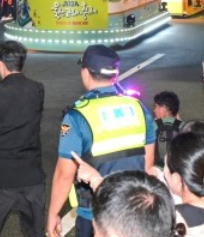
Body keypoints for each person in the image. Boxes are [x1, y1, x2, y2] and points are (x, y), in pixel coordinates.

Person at [47, 45, 156, 237]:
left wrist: (53, 213)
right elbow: (148, 163)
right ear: (115, 74)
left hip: (94, 214)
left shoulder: (77, 116)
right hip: (133, 209)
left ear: (85, 72)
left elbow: (65, 174)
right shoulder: (138, 107)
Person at [0, 41, 45, 237]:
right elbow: (19, 107)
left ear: (0, 64)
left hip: (2, 178)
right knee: (35, 232)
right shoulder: (37, 89)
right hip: (32, 175)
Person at [152, 91, 182, 168]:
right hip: (179, 168)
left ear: (163, 108)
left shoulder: (152, 126)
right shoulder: (185, 127)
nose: (154, 110)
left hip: (159, 168)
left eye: (155, 107)